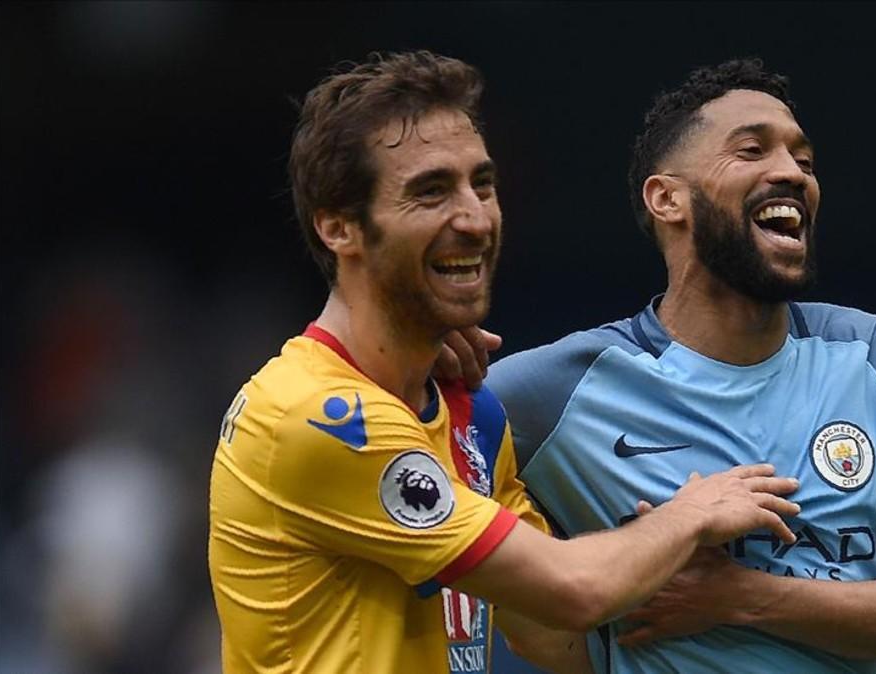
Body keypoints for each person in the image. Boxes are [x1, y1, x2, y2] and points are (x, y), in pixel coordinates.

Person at [206, 51, 802, 674]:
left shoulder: (465, 411)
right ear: (339, 227)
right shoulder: (315, 419)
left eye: (482, 184)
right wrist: (686, 518)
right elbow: (573, 590)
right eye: (430, 191)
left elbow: (544, 627)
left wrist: (728, 601)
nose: (474, 218)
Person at [448, 59, 876, 673]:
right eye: (752, 150)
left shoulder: (873, 354)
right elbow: (387, 437)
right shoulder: (557, 389)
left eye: (804, 161)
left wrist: (742, 599)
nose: (791, 172)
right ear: (668, 198)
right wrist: (427, 360)